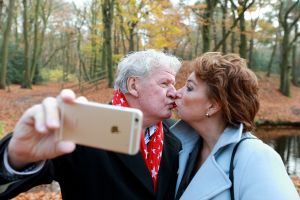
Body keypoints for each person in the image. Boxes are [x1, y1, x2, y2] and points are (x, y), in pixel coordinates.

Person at [0, 49, 182, 200]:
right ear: (133, 85)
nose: (174, 92)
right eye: (165, 83)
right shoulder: (83, 126)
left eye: (173, 84)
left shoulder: (179, 137)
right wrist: (15, 158)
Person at [171, 52, 299, 200]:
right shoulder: (180, 148)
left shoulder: (256, 158)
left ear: (213, 105)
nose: (176, 93)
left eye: (189, 88)